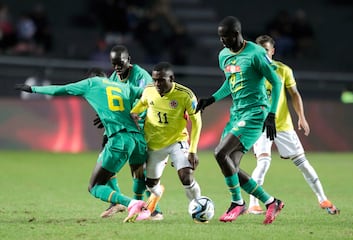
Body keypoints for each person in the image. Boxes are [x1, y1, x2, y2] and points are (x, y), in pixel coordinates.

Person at [15, 68, 151, 222]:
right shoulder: (122, 86)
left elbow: (61, 89)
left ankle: (132, 204)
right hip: (138, 139)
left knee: (95, 186)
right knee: (137, 174)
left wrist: (33, 89)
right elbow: (147, 93)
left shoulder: (91, 83)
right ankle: (152, 209)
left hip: (120, 139)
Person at [196, 16, 284, 224]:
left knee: (219, 152)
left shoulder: (255, 53)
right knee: (231, 167)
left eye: (225, 36)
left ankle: (237, 203)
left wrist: (271, 114)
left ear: (236, 34)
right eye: (220, 37)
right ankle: (272, 202)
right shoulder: (223, 55)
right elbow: (230, 82)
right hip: (236, 113)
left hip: (255, 112)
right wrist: (212, 99)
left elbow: (276, 82)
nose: (222, 41)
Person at [248, 35, 340, 215]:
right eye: (259, 51)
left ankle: (323, 199)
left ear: (272, 51)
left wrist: (302, 117)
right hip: (261, 126)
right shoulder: (251, 71)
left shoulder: (282, 70)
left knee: (303, 163)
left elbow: (295, 94)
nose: (263, 54)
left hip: (282, 124)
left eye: (266, 50)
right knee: (264, 162)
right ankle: (253, 204)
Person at [94, 44, 164, 220]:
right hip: (120, 127)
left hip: (141, 128)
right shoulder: (114, 77)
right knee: (104, 159)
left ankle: (153, 209)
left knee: (138, 169)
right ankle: (119, 201)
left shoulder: (140, 76)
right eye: (114, 63)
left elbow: (151, 97)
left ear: (129, 61)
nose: (117, 67)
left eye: (120, 63)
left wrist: (136, 114)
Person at [130, 62, 202, 217]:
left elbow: (197, 122)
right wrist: (134, 112)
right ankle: (157, 192)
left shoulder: (186, 95)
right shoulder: (149, 90)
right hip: (154, 144)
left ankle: (199, 206)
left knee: (186, 176)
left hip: (177, 141)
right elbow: (142, 104)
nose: (157, 84)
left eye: (161, 80)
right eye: (155, 80)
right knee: (150, 185)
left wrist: (193, 150)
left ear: (172, 78)